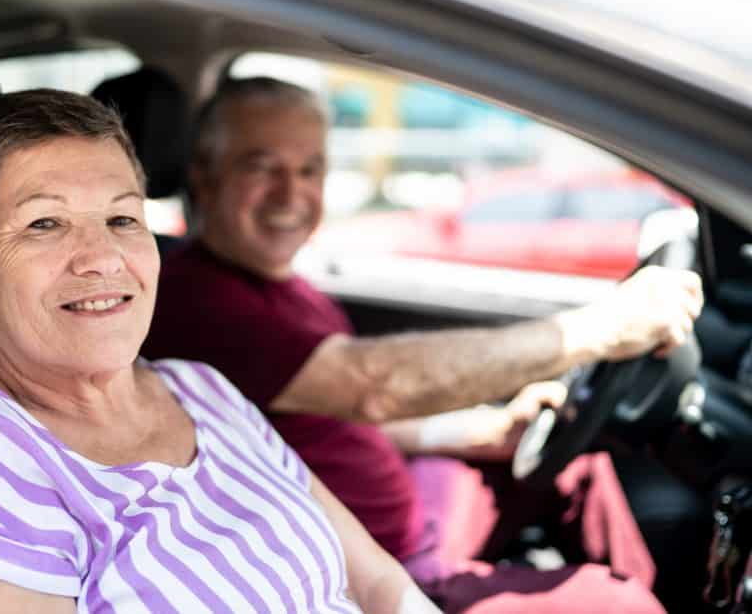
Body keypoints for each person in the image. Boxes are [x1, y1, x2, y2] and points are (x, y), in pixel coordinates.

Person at [0, 89, 441, 613]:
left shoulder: (200, 388)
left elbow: (379, 586)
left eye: (122, 218)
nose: (102, 257)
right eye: (45, 223)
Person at [143, 77, 703, 613]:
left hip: (418, 508)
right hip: (375, 574)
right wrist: (598, 328)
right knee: (616, 604)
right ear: (205, 177)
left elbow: (349, 419)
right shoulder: (196, 302)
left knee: (577, 461)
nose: (292, 194)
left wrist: (486, 430)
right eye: (261, 168)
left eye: (310, 169)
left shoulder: (286, 286)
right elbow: (371, 388)